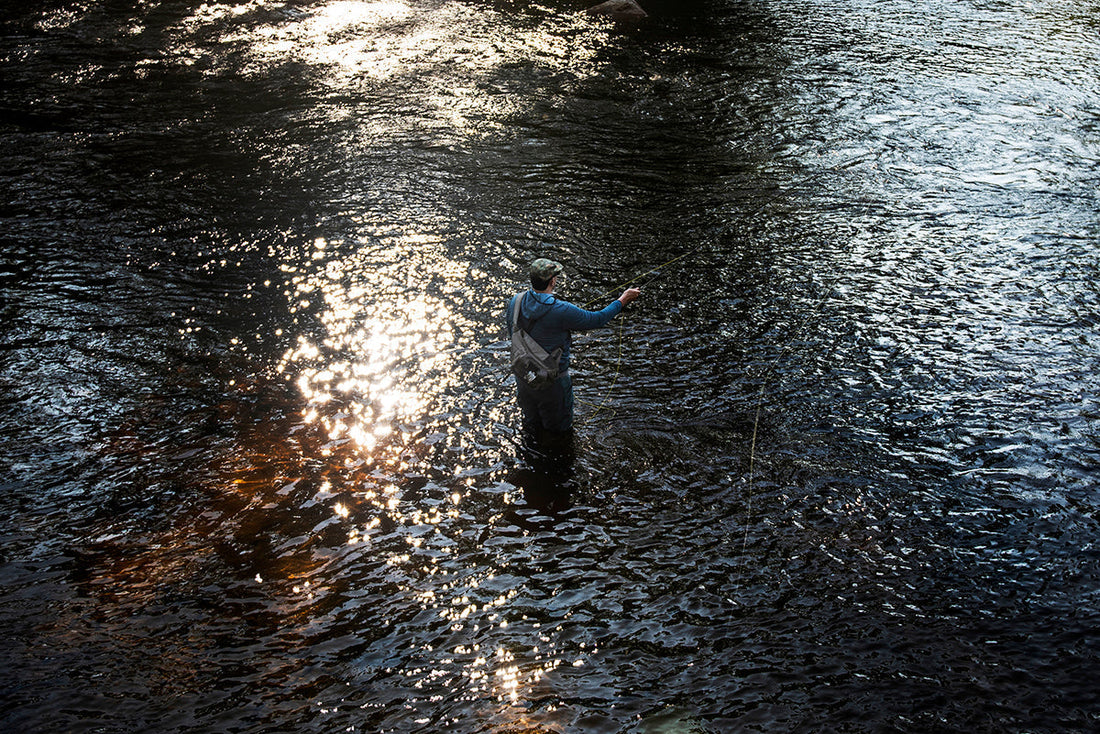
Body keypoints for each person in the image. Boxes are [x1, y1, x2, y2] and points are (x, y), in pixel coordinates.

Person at [505, 258, 641, 440]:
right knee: (560, 434)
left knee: (531, 426)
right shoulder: (561, 309)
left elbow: (511, 331)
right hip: (553, 384)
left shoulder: (516, 301)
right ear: (552, 281)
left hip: (523, 376)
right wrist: (623, 300)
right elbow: (597, 319)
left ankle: (530, 459)